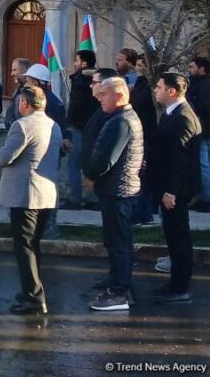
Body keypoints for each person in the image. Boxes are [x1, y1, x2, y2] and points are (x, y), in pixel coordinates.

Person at [0, 85, 61, 314]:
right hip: (46, 193)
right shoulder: (54, 125)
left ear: (24, 103)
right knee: (33, 245)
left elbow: (6, 156)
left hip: (25, 194)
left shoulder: (22, 125)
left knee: (24, 247)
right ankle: (32, 288)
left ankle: (33, 296)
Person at [84, 76, 144, 312]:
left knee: (118, 241)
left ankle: (119, 292)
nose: (99, 100)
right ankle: (116, 279)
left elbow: (105, 160)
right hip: (117, 188)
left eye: (103, 95)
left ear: (118, 96)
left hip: (118, 190)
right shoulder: (121, 117)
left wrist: (91, 174)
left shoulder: (121, 122)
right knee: (116, 240)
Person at [149, 71, 202, 303]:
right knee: (172, 236)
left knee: (179, 237)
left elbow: (181, 162)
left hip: (176, 191)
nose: (155, 90)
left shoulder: (183, 117)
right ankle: (174, 283)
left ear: (172, 91)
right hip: (167, 187)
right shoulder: (171, 113)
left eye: (159, 87)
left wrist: (171, 191)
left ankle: (181, 288)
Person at [117, 48, 158, 224]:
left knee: (142, 175)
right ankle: (141, 213)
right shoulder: (142, 82)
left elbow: (138, 101)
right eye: (139, 65)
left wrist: (130, 92)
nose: (140, 68)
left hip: (146, 134)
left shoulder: (149, 84)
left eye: (143, 65)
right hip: (141, 132)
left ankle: (144, 213)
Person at [63, 49, 100, 209]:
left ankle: (75, 198)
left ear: (84, 63)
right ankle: (91, 198)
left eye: (76, 60)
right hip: (93, 127)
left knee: (74, 163)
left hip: (78, 128)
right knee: (89, 163)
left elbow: (76, 107)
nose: (74, 64)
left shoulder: (79, 81)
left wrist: (69, 123)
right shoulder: (98, 80)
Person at [188, 57, 210, 211]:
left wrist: (192, 108)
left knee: (203, 165)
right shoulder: (198, 84)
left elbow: (206, 107)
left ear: (202, 69)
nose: (190, 69)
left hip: (203, 130)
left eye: (192, 66)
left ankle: (207, 199)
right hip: (200, 129)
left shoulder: (204, 85)